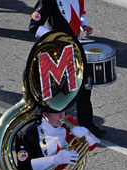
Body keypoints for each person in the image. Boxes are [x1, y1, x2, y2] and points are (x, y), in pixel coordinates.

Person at [29, 0, 106, 137]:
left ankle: (87, 125)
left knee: (83, 87)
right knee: (53, 92)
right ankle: (40, 128)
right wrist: (56, 39)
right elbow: (34, 26)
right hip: (58, 52)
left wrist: (84, 25)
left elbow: (80, 13)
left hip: (75, 48)